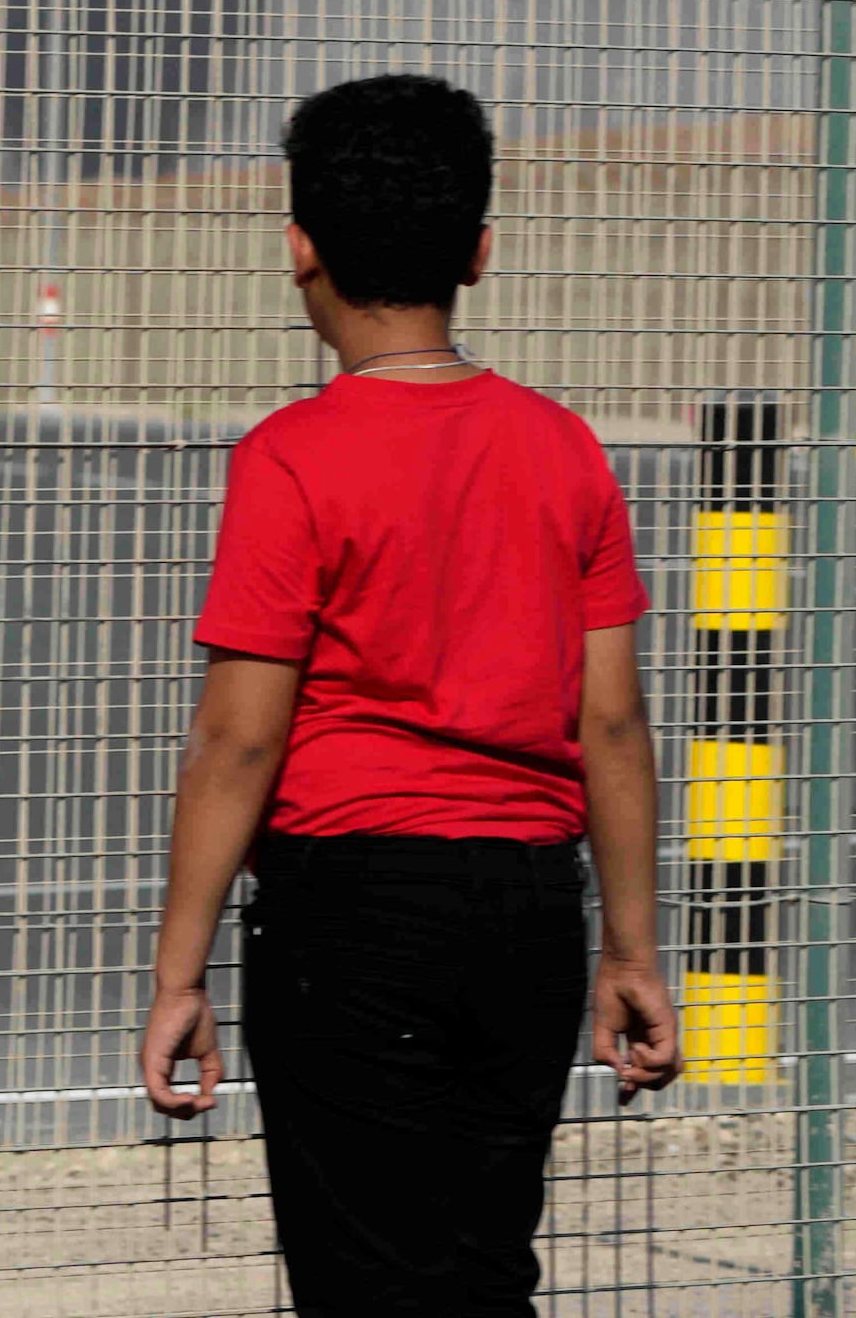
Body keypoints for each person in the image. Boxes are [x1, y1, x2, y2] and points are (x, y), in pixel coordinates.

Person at [137, 73, 680, 1315]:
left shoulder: (291, 460)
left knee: (366, 1279)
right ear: (480, 250)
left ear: (300, 250)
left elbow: (239, 738)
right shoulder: (563, 449)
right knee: (487, 1265)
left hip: (352, 912)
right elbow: (611, 721)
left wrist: (180, 975)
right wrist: (633, 946)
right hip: (530, 907)